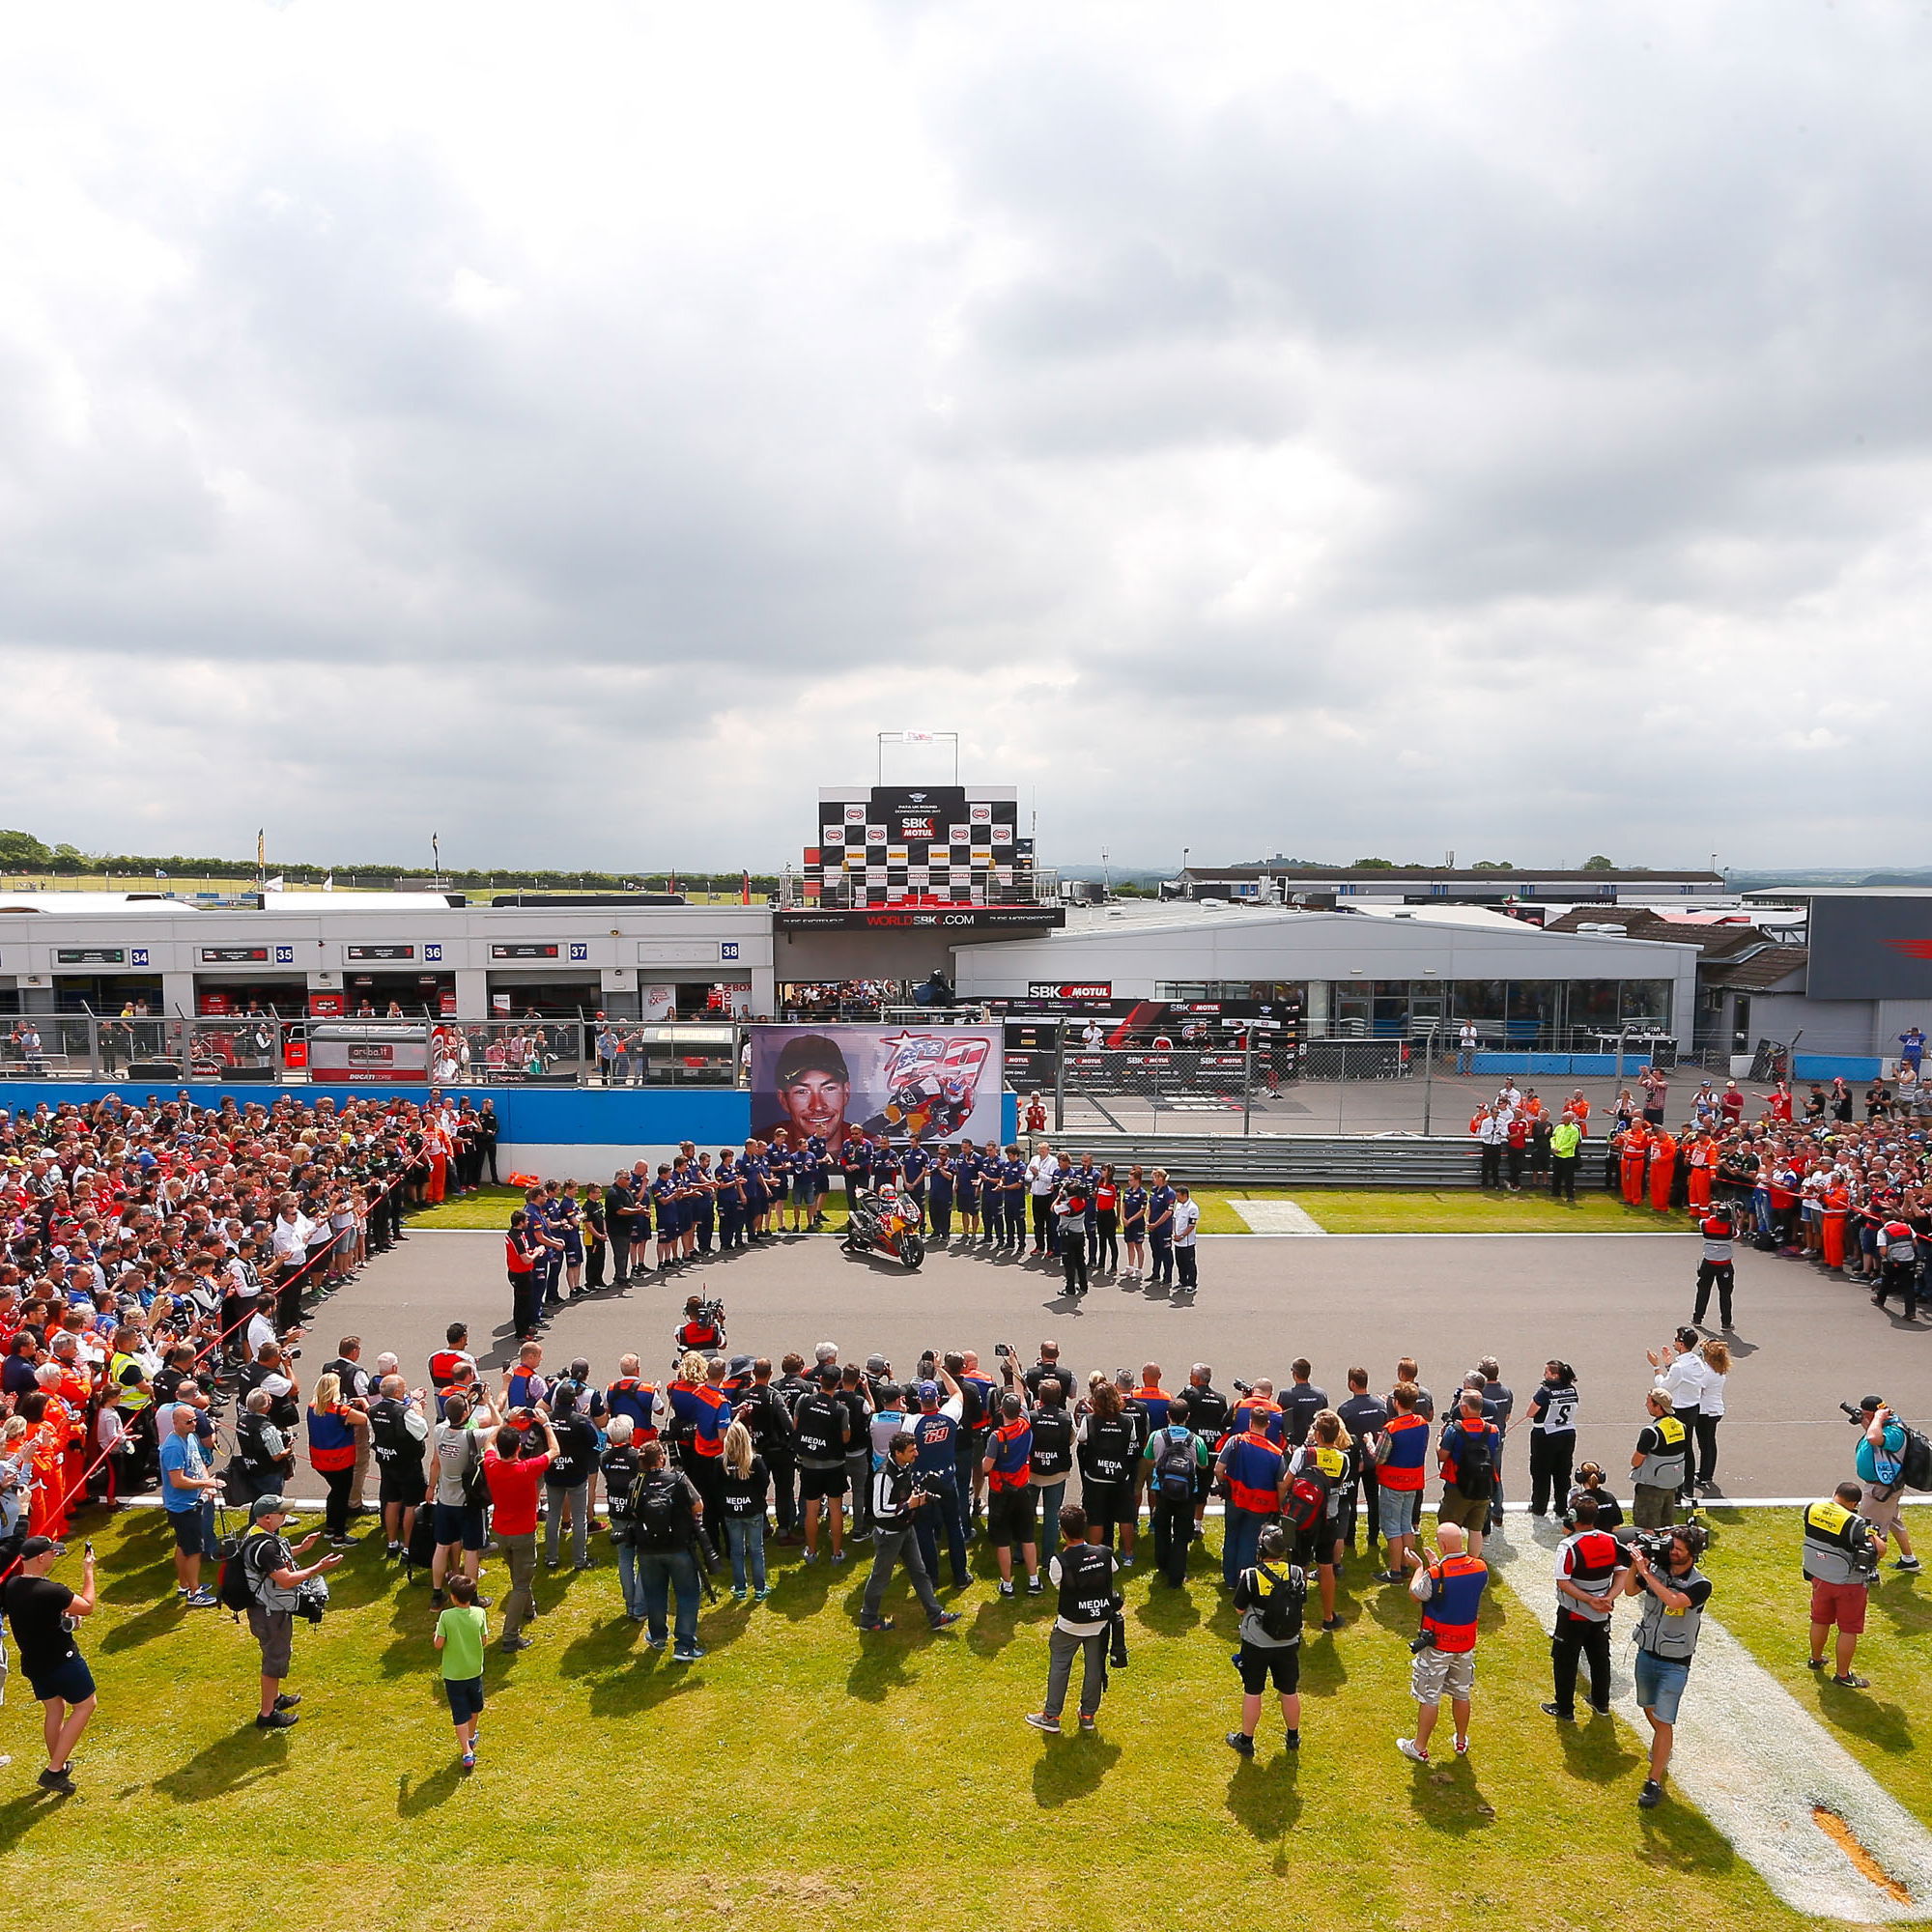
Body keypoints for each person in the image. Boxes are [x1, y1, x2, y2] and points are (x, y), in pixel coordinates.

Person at [1, 1534, 98, 1794]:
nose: (55, 1556)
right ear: (41, 1558)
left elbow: (38, 1615)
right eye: (53, 1553)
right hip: (62, 1660)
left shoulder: (12, 1585)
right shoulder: (53, 1591)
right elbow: (87, 1606)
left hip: (34, 1663)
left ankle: (60, 1764)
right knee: (86, 1705)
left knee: (55, 1710)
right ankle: (54, 1771)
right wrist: (88, 1570)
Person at [1626, 1522, 1713, 1808]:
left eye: (1678, 1549)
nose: (1671, 1552)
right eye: (1670, 1547)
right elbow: (1628, 1590)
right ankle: (1664, 1745)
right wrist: (1634, 1565)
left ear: (1692, 1554)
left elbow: (1674, 1599)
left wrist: (1647, 1572)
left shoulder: (1700, 1584)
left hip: (1675, 1663)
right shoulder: (1658, 1567)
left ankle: (1653, 1781)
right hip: (1647, 1652)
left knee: (1664, 1720)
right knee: (1646, 1706)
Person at [240, 1494, 343, 1730]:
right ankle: (267, 1714)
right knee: (274, 1659)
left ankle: (275, 1699)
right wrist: (318, 1567)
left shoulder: (259, 1534)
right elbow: (285, 1580)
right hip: (268, 1612)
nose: (286, 1517)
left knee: (278, 1655)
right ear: (267, 1518)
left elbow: (275, 1561)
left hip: (271, 1608)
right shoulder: (263, 1546)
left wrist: (302, 1548)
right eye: (282, 1514)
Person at [1396, 1521, 1488, 1765]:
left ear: (1443, 1544)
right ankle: (1460, 1740)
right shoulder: (1480, 1568)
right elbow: (1458, 1585)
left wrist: (1419, 1567)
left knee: (1430, 1697)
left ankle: (1420, 1747)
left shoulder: (1436, 1574)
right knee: (1461, 1692)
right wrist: (1438, 1565)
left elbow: (1417, 1593)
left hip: (1437, 1645)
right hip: (1465, 1644)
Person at [1024, 1503, 1119, 1735]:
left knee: (1060, 1666)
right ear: (1084, 1527)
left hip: (1070, 1624)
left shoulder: (1059, 1562)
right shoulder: (1105, 1554)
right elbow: (1111, 1570)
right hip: (1099, 1623)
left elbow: (1060, 1584)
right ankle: (1088, 1716)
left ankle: (1051, 1716)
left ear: (1062, 1531)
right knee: (1094, 1668)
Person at [859, 1430, 962, 1634]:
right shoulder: (883, 1475)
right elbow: (879, 1510)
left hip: (906, 1529)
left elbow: (905, 1494)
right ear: (898, 1453)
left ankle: (936, 1616)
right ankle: (868, 1618)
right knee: (881, 1577)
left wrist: (920, 1497)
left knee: (919, 1572)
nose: (916, 1454)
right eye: (911, 1450)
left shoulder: (904, 1466)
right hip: (889, 1536)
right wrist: (908, 1505)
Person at [1542, 1495, 1628, 1721]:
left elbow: (1563, 1582)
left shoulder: (1568, 1546)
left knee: (1565, 1661)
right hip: (1601, 1614)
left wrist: (1589, 1600)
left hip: (1573, 1614)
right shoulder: (1611, 1540)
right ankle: (1601, 1703)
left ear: (1573, 1517)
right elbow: (1622, 1572)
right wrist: (1607, 1597)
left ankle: (1565, 1708)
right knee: (1600, 1659)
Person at [1227, 1523, 1305, 1757]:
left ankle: (1246, 1740)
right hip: (1288, 1643)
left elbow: (1239, 1609)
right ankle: (1293, 1737)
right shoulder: (1297, 1573)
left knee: (1253, 1691)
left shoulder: (1252, 1576)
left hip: (1256, 1644)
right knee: (1289, 1691)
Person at [483, 1408, 555, 1652]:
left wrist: (505, 1421)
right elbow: (555, 1451)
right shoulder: (527, 1469)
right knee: (521, 1583)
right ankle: (510, 1637)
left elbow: (488, 1441)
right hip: (523, 1533)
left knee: (518, 1575)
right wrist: (545, 1425)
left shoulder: (491, 1464)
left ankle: (529, 1609)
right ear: (518, 1449)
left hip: (500, 1532)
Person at [1804, 1480, 1886, 1689]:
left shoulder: (1812, 1508)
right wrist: (1874, 1535)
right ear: (1853, 1503)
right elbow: (1880, 1550)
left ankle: (1816, 1659)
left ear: (1835, 1493)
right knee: (1848, 1628)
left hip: (1819, 1575)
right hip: (1847, 1582)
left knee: (1820, 1619)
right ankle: (1842, 1675)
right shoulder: (1855, 1522)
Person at [630, 1439, 707, 1662]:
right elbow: (699, 1506)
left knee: (654, 1594)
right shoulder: (678, 1480)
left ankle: (657, 1636)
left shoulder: (636, 1484)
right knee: (688, 1594)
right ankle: (684, 1645)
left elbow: (633, 1513)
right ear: (661, 1459)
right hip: (679, 1547)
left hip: (647, 1549)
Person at [159, 1401, 222, 1606]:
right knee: (194, 1550)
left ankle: (184, 1585)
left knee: (183, 1545)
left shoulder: (191, 1438)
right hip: (182, 1506)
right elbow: (177, 1481)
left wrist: (206, 1485)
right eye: (188, 1421)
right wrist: (207, 1482)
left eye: (195, 1419)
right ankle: (194, 1593)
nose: (194, 1424)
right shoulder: (173, 1447)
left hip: (192, 1501)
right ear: (175, 1423)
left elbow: (199, 1463)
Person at [1143, 1398, 1208, 1587]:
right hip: (1187, 1493)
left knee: (1161, 1527)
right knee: (1181, 1534)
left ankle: (1162, 1564)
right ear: (1188, 1416)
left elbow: (1149, 1460)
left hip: (1162, 1491)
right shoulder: (1196, 1440)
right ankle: (1176, 1576)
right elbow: (1203, 1464)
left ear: (1167, 1416)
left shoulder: (1157, 1436)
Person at [1855, 1397, 1921, 1573]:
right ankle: (1909, 1560)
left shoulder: (1894, 1431)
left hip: (1880, 1490)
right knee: (1893, 1521)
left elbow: (1874, 1438)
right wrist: (1867, 1420)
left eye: (1865, 1414)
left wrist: (1876, 1418)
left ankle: (1870, 1571)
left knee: (1871, 1531)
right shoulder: (1884, 1424)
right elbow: (1872, 1432)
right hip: (1883, 1487)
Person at [433, 1572, 489, 1772]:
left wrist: (436, 1634)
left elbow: (439, 1644)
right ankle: (471, 1737)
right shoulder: (480, 1613)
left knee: (460, 1713)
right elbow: (484, 1640)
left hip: (453, 1675)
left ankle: (466, 1752)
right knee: (475, 1707)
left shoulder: (446, 1617)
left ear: (453, 1597)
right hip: (474, 1670)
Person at [1435, 1392, 1500, 1562]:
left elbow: (1442, 1456)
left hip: (1457, 1486)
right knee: (1476, 1529)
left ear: (1464, 1408)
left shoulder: (1454, 1430)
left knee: (1449, 1526)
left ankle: (1450, 1563)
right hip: (1484, 1485)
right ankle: (1473, 1563)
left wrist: (1439, 1440)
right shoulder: (1493, 1430)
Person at [719, 1418, 770, 1603]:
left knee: (736, 1550)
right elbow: (764, 1483)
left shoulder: (720, 1462)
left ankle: (740, 1588)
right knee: (757, 1550)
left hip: (731, 1511)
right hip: (753, 1510)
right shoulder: (754, 1461)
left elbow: (716, 1486)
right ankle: (759, 1589)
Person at [1520, 1360, 1579, 1518]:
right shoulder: (1572, 1390)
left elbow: (1531, 1412)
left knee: (1541, 1474)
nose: (1544, 1375)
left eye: (1546, 1372)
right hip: (1567, 1434)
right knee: (1563, 1473)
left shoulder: (1544, 1392)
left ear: (1555, 1375)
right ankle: (1562, 1508)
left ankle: (1539, 1507)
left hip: (1545, 1436)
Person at [1630, 1391, 1689, 1530]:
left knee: (1646, 1528)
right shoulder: (1681, 1426)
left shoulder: (1651, 1432)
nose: (1646, 1405)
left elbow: (1636, 1461)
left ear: (1658, 1406)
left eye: (1649, 1402)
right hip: (1672, 1484)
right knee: (1666, 1527)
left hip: (1651, 1487)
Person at [1692, 1208, 1737, 1330]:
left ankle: (1697, 1319)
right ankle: (1726, 1323)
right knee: (1725, 1294)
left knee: (1703, 1291)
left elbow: (1703, 1221)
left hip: (1708, 1264)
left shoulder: (1704, 1224)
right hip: (1725, 1265)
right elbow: (1737, 1235)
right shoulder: (1730, 1227)